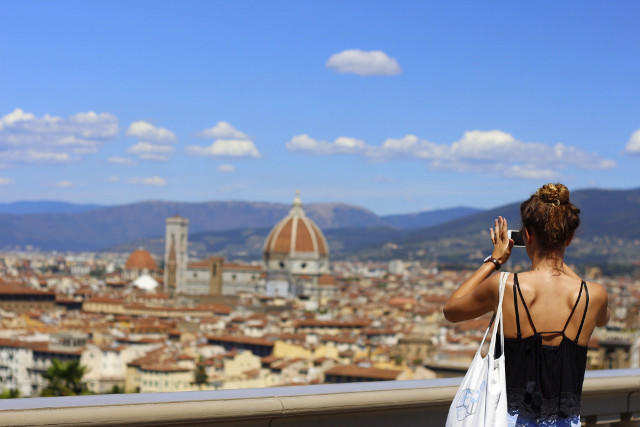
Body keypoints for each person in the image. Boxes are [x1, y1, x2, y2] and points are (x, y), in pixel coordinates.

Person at [443, 183, 609, 427]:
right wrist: (558, 257)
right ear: (570, 238)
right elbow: (603, 320)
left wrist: (494, 260)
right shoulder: (595, 295)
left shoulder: (506, 286)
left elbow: (451, 310)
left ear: (527, 236)